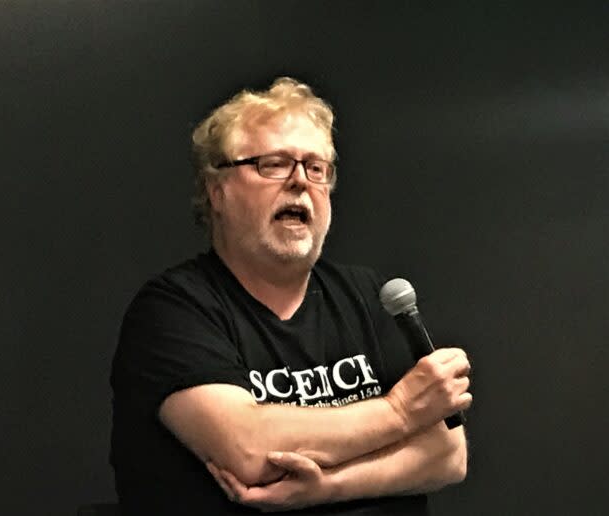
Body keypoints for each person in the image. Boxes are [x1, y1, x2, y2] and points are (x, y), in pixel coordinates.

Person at [110, 77, 472, 515]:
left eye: (316, 168)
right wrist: (397, 413)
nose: (301, 182)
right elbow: (249, 450)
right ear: (217, 190)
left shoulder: (369, 295)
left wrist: (325, 487)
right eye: (274, 164)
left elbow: (448, 453)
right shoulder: (172, 310)